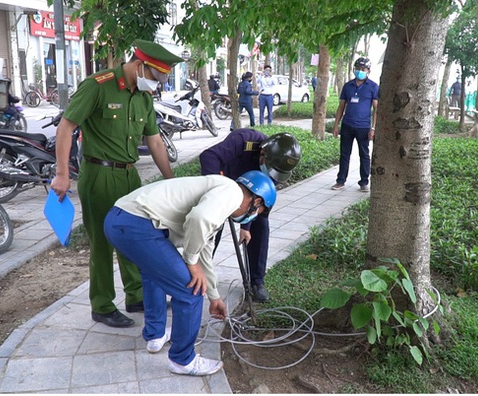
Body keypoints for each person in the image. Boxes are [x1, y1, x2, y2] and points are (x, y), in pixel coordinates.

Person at [51, 39, 184, 328]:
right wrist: (62, 173)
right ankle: (101, 304)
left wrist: (171, 181)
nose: (158, 84)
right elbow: (66, 127)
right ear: (139, 66)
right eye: (156, 77)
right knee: (101, 241)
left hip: (129, 176)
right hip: (99, 174)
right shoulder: (98, 85)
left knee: (134, 235)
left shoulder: (144, 98)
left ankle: (135, 296)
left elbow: (155, 141)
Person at [104, 171, 277, 376]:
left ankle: (155, 335)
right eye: (259, 211)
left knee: (154, 274)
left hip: (118, 219)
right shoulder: (232, 193)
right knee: (191, 289)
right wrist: (190, 262)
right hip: (137, 224)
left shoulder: (218, 202)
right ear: (256, 201)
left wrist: (214, 297)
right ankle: (182, 360)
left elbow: (205, 254)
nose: (253, 217)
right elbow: (199, 218)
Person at [199, 130, 301, 302]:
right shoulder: (243, 140)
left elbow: (262, 200)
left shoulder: (276, 168)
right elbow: (208, 157)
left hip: (252, 195)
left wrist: (246, 227)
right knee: (211, 231)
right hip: (225, 185)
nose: (271, 173)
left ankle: (256, 282)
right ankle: (198, 277)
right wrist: (218, 192)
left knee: (260, 225)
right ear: (263, 153)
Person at [331, 57, 379, 193]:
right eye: (358, 68)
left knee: (364, 155)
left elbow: (376, 109)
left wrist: (373, 128)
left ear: (368, 70)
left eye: (363, 69)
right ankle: (340, 181)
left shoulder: (373, 87)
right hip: (347, 125)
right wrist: (336, 125)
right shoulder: (348, 86)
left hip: (363, 127)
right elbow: (341, 107)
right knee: (344, 154)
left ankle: (364, 182)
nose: (360, 71)